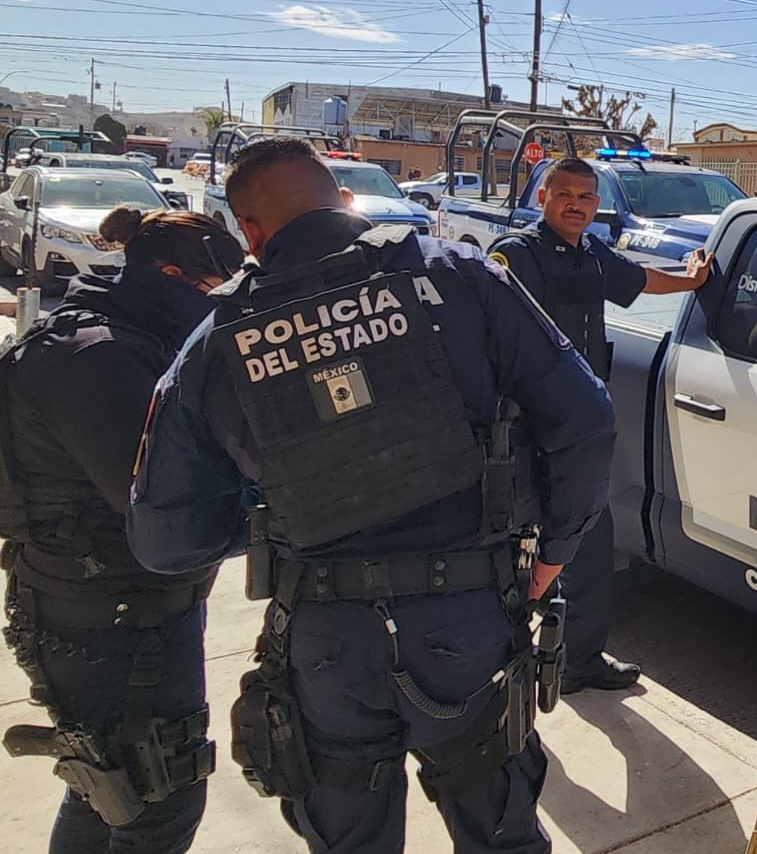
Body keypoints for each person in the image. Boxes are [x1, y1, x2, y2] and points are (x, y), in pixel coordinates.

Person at [127, 138, 616, 854]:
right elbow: (587, 420)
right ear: (341, 198)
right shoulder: (459, 274)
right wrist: (554, 554)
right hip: (469, 623)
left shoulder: (216, 339)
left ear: (249, 231)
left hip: (328, 641)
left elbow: (166, 540)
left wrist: (284, 503)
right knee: (501, 834)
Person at [1, 207, 244, 854]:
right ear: (170, 275)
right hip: (104, 619)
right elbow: (161, 505)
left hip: (125, 608)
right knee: (157, 803)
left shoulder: (135, 334)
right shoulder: (99, 357)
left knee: (107, 791)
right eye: (213, 289)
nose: (220, 306)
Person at [487, 157, 709, 693]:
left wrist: (692, 279)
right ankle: (498, 655)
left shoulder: (591, 253)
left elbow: (640, 280)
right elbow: (491, 332)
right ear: (543, 198)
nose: (576, 205)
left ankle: (578, 660)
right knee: (517, 541)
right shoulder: (516, 255)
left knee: (588, 536)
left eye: (586, 197)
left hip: (580, 423)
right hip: (528, 421)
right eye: (565, 194)